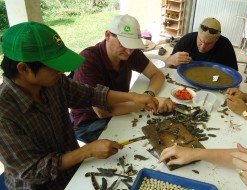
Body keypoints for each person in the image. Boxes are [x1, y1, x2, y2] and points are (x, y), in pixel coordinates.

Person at [0, 21, 160, 189]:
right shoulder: (4, 113)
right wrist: (87, 151)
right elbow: (32, 170)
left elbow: (90, 95)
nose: (61, 72)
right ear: (24, 68)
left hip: (74, 169)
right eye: (55, 67)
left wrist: (134, 97)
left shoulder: (54, 82)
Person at [71, 14, 174, 143]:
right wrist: (147, 102)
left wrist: (148, 96)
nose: (128, 51)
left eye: (132, 45)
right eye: (123, 44)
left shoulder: (129, 51)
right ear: (108, 35)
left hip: (119, 109)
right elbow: (103, 112)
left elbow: (157, 75)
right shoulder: (89, 60)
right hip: (90, 122)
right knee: (143, 140)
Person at [165, 17, 238, 71]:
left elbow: (234, 74)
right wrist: (172, 59)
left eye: (209, 44)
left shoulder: (225, 45)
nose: (203, 47)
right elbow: (167, 65)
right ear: (197, 35)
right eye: (200, 41)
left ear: (217, 40)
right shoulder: (187, 40)